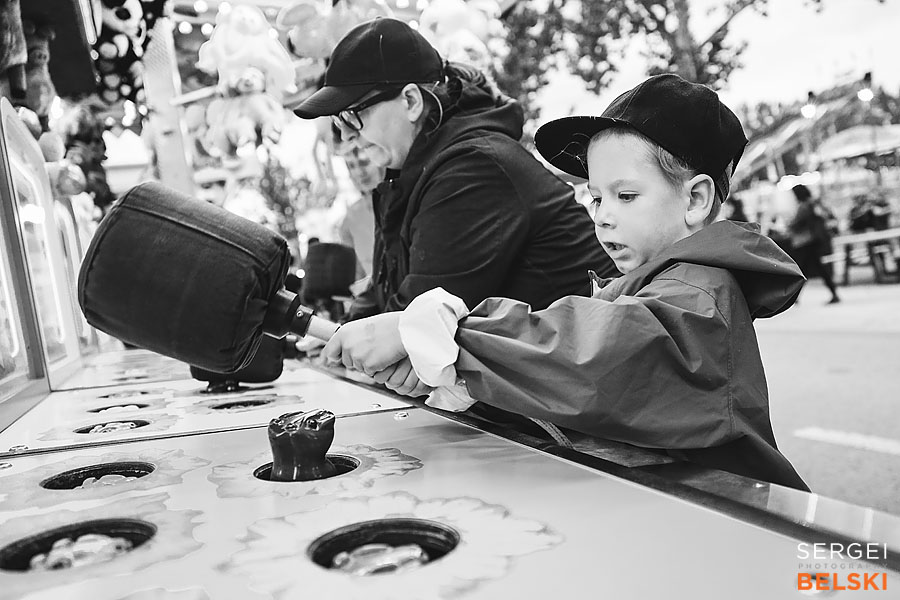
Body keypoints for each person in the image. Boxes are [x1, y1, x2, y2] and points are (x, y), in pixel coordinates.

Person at [323, 74, 809, 491]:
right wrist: (467, 380)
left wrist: (449, 338)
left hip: (736, 522)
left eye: (626, 195)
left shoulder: (698, 295)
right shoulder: (647, 283)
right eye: (596, 198)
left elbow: (594, 357)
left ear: (696, 200)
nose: (605, 218)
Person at [293, 18, 618, 321]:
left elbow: (417, 323)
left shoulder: (473, 167)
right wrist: (338, 333)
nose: (347, 136)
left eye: (353, 114)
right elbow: (389, 297)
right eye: (339, 122)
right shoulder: (415, 171)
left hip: (587, 371)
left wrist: (347, 338)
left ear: (410, 101)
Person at [788, 184, 840, 304]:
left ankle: (794, 297)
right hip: (814, 240)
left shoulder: (804, 206)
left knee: (804, 269)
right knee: (810, 268)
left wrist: (789, 225)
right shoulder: (813, 203)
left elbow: (796, 222)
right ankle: (795, 297)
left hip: (806, 241)